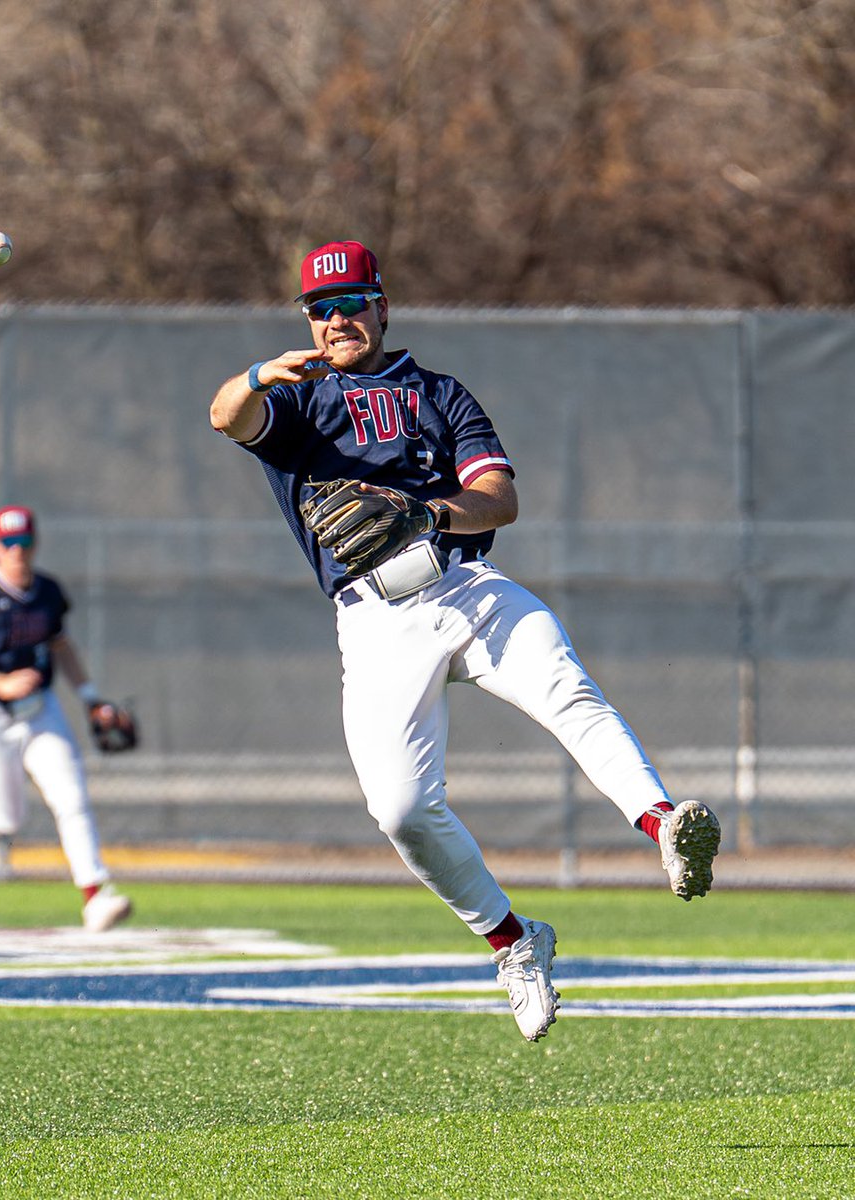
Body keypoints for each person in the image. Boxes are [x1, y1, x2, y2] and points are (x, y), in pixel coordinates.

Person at [209, 240, 721, 1042]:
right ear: (307, 319)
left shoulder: (439, 393)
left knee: (567, 690)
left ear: (383, 305)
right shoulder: (299, 401)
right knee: (403, 808)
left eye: (353, 302)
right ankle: (514, 941)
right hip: (374, 619)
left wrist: (430, 514)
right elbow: (225, 418)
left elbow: (499, 498)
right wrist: (254, 378)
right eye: (323, 308)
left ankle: (662, 827)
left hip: (465, 585)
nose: (339, 319)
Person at [0, 505, 132, 933]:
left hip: (41, 710)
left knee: (71, 797)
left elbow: (62, 646)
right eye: (7, 543)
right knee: (8, 817)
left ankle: (96, 896)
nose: (16, 552)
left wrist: (91, 698)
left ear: (33, 544)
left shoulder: (47, 592)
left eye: (22, 542)